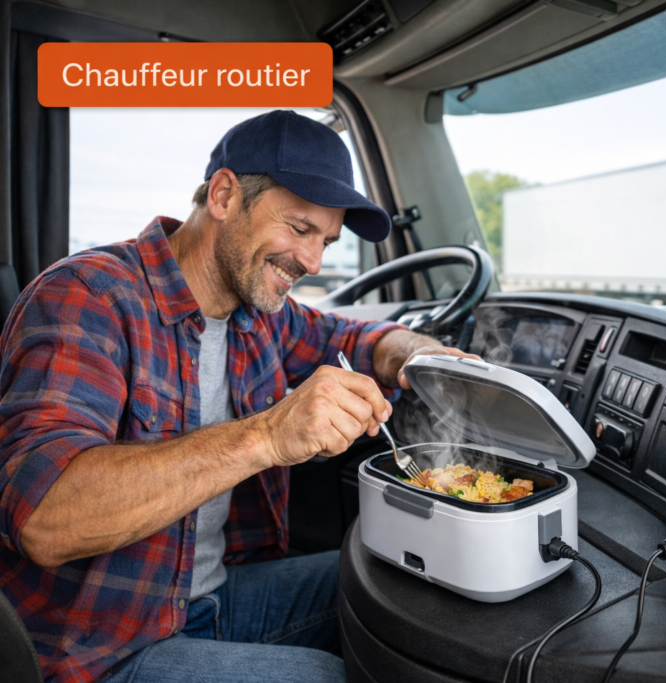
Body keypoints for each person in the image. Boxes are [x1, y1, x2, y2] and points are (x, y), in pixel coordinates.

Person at [0, 110, 477, 683]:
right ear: (225, 195)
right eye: (299, 229)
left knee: (403, 576)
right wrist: (269, 435)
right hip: (93, 644)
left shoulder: (258, 314)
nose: (312, 262)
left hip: (207, 597)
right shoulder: (89, 296)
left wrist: (416, 354)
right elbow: (46, 518)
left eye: (326, 241)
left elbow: (354, 337)